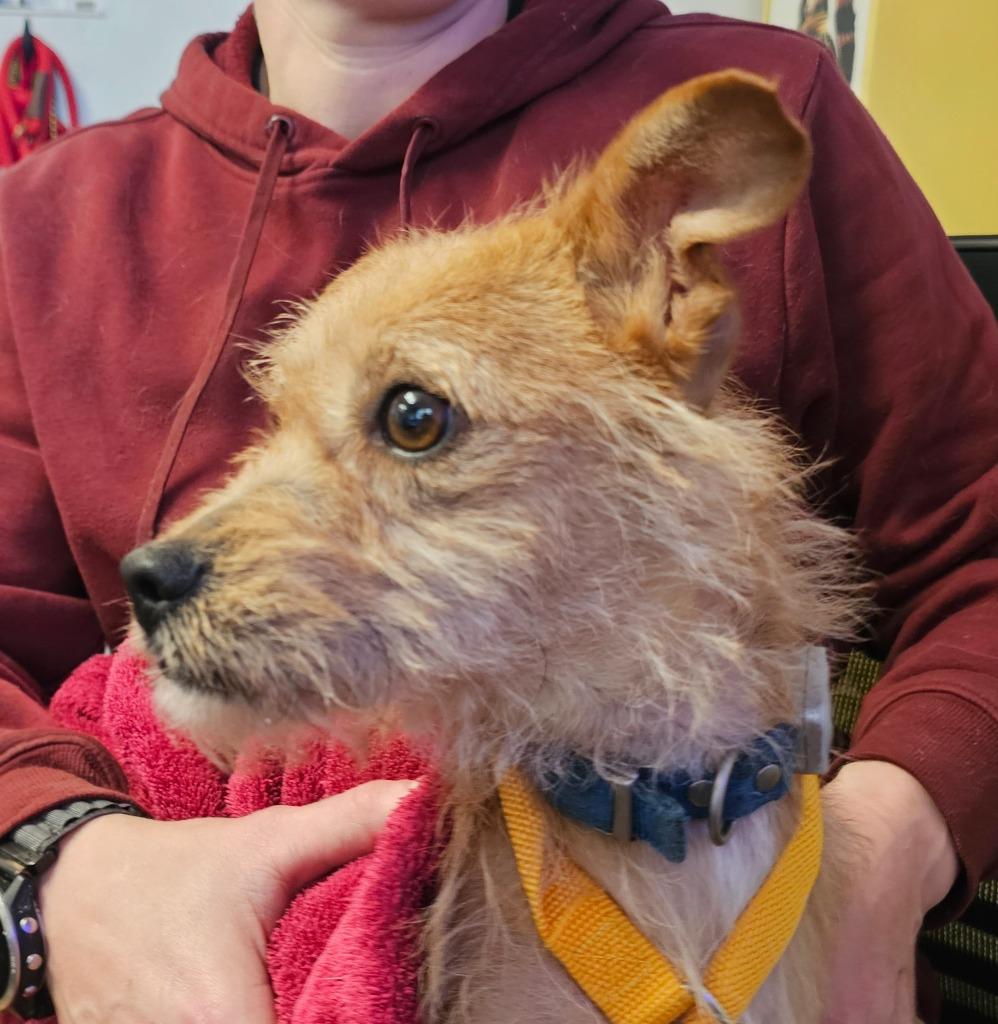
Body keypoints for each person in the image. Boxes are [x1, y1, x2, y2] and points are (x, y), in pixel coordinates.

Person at [0, 1, 994, 1021]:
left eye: (416, 419)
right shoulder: (44, 217)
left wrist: (889, 845)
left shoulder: (760, 95)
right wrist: (56, 859)